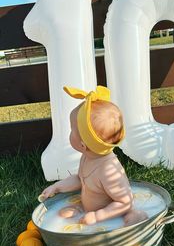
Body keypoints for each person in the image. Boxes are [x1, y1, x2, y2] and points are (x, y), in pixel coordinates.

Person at [40, 85, 147, 226]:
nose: (69, 133)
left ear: (83, 145)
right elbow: (81, 179)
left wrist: (98, 216)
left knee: (132, 218)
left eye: (72, 130)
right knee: (62, 215)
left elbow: (124, 201)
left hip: (114, 212)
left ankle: (137, 218)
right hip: (89, 208)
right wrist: (58, 187)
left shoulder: (108, 170)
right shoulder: (89, 157)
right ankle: (82, 210)